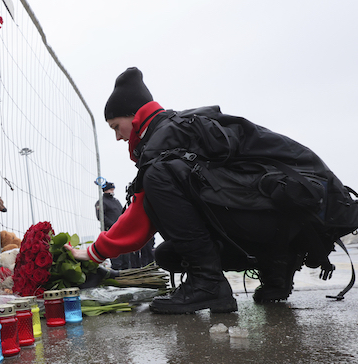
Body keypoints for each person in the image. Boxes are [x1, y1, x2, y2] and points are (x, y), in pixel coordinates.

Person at [68, 67, 358, 314]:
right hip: (287, 217)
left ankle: (208, 283)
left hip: (287, 212)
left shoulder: (164, 138)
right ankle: (276, 268)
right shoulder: (179, 128)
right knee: (169, 254)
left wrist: (93, 252)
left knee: (157, 175)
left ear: (136, 116)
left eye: (116, 126)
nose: (118, 137)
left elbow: (141, 216)